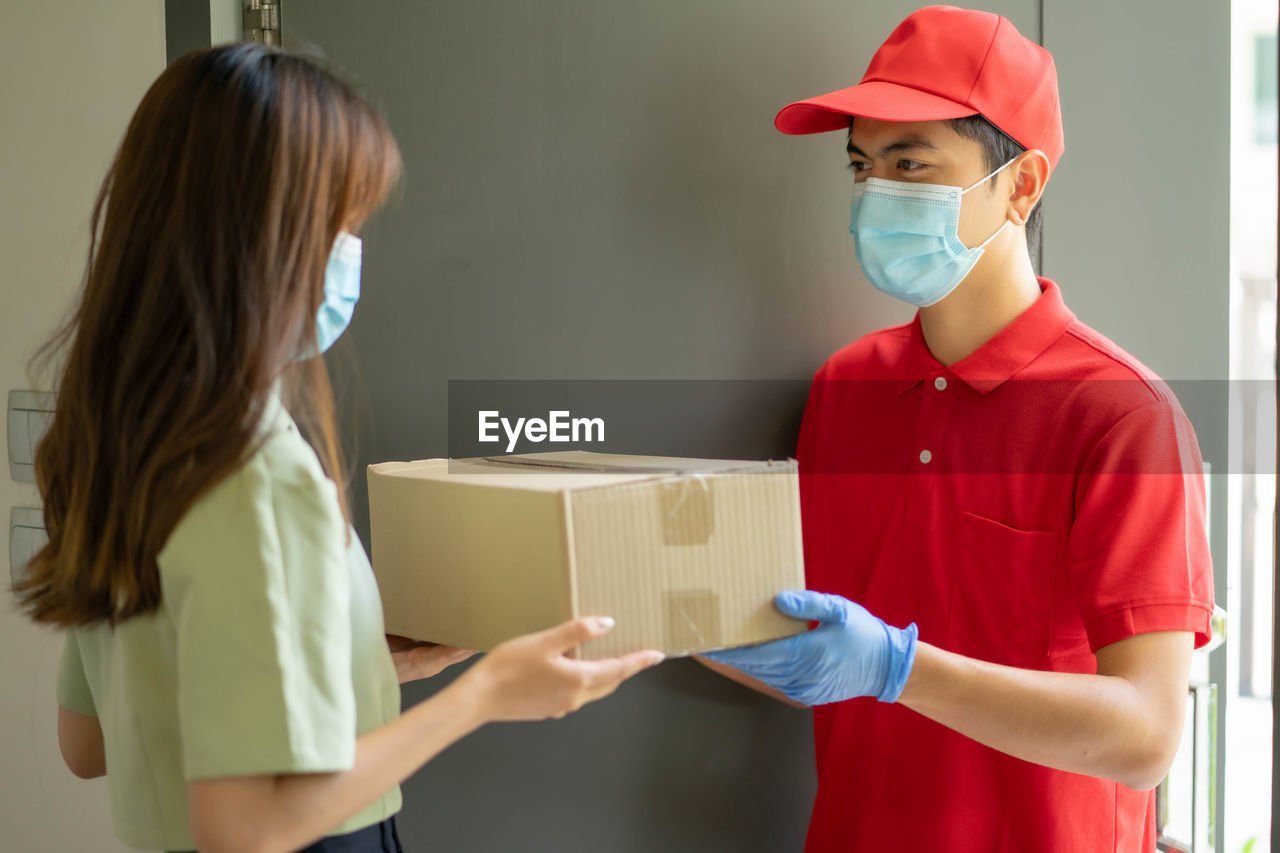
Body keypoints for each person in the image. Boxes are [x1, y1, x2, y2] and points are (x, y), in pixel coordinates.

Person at [16, 42, 664, 853]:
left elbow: (94, 741)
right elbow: (244, 825)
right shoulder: (252, 474)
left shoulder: (117, 442)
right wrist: (485, 695)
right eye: (343, 223)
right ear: (259, 235)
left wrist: (358, 667)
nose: (351, 253)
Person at [699, 6, 1215, 851]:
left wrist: (899, 668)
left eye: (911, 163)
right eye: (863, 165)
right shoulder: (846, 387)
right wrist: (641, 615)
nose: (875, 193)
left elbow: (1146, 736)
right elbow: (816, 652)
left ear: (1021, 184)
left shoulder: (1123, 415)